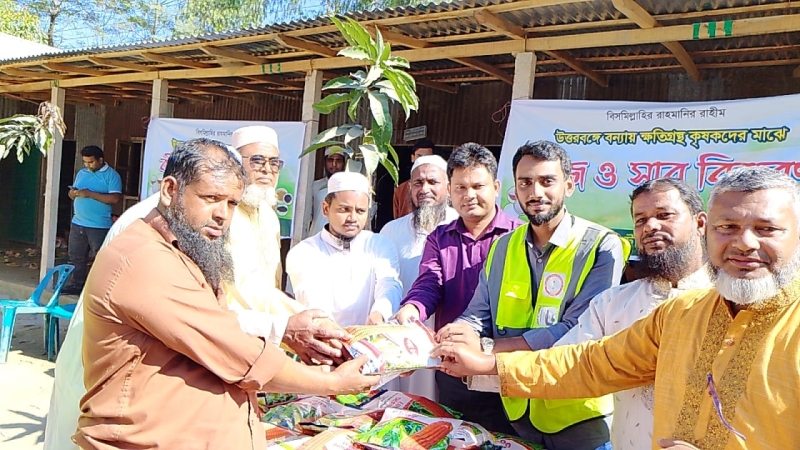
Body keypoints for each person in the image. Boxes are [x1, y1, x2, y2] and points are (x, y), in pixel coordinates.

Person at [435, 166, 800, 450]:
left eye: (767, 229)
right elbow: (589, 363)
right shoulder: (682, 313)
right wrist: (487, 365)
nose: (744, 243)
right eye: (729, 227)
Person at [74, 138, 377, 449]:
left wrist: (286, 330)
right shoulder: (145, 258)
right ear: (169, 190)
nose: (223, 214)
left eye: (232, 202)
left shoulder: (187, 243)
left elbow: (215, 321)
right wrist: (331, 383)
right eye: (210, 197)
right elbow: (234, 351)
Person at [437, 140, 626, 450]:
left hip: (578, 416)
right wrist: (458, 333)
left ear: (569, 185)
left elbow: (577, 331)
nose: (536, 192)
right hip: (517, 411)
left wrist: (486, 348)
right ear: (515, 190)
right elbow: (478, 312)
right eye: (525, 182)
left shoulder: (601, 246)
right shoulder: (502, 247)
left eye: (547, 181)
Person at [557, 177, 712, 449]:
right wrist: (485, 366)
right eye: (641, 220)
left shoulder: (731, 301)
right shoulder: (613, 303)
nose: (651, 226)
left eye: (664, 215)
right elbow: (561, 364)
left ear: (700, 224)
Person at [393, 142, 523, 435]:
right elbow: (429, 283)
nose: (470, 195)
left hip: (502, 365)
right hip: (454, 369)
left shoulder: (520, 236)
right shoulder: (440, 238)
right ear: (450, 191)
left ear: (496, 187)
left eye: (478, 185)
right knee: (456, 438)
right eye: (461, 187)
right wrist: (412, 308)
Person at [380, 154, 458, 398]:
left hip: (444, 333)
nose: (425, 189)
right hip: (401, 333)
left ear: (448, 186)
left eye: (432, 182)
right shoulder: (391, 230)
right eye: (418, 183)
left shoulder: (460, 226)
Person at [287, 171, 403, 327]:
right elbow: (310, 297)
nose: (353, 218)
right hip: (323, 340)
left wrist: (380, 313)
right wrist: (329, 330)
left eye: (360, 211)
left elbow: (389, 284)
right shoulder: (304, 252)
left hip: (370, 343)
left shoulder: (380, 245)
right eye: (344, 209)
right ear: (326, 208)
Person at [62, 145, 122, 295]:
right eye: (85, 162)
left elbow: (114, 198)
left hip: (99, 225)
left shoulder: (112, 175)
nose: (87, 165)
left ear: (100, 160)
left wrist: (89, 194)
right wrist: (73, 193)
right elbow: (72, 194)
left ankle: (100, 288)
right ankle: (77, 285)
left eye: (91, 162)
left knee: (100, 257)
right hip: (78, 222)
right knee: (76, 256)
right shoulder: (82, 173)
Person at [309, 147, 347, 236]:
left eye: (338, 160)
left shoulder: (348, 187)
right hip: (316, 236)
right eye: (330, 160)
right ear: (325, 162)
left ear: (344, 163)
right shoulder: (315, 186)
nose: (334, 164)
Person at [393, 139, 435, 219]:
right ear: (413, 158)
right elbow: (397, 218)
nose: (423, 160)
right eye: (419, 156)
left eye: (427, 157)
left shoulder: (442, 189)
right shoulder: (401, 189)